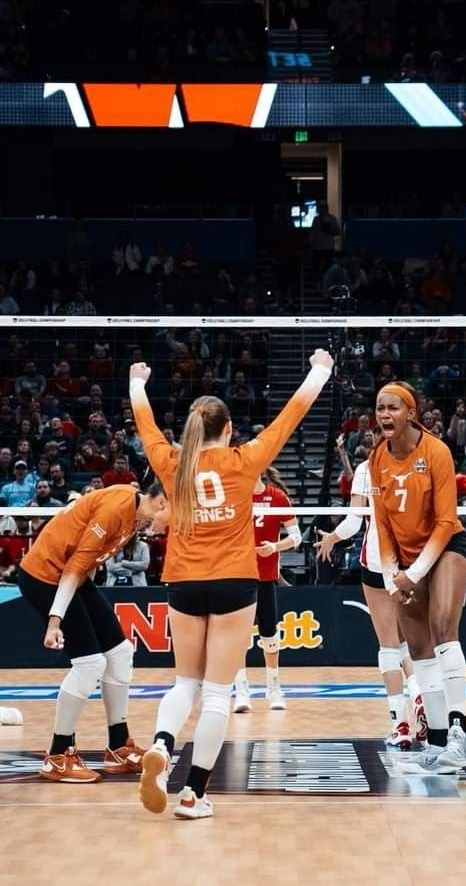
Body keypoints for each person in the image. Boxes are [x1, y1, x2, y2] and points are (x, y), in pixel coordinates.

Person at [131, 348, 333, 820]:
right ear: (228, 430)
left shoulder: (172, 463)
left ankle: (161, 745)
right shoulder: (245, 460)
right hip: (235, 582)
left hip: (183, 580)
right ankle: (193, 794)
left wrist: (138, 383)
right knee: (219, 693)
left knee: (186, 683)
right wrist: (319, 371)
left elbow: (145, 427)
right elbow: (291, 417)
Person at [17, 482, 169, 783]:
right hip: (46, 576)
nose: (175, 526)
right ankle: (58, 756)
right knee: (90, 664)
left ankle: (117, 747)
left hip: (73, 576)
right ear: (162, 503)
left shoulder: (134, 510)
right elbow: (73, 566)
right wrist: (55, 619)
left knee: (121, 652)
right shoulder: (115, 510)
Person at [369, 382, 466, 772]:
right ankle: (440, 740)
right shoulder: (377, 457)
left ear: (411, 413)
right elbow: (381, 525)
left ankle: (462, 733)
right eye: (380, 408)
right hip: (405, 561)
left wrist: (414, 574)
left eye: (392, 407)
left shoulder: (436, 452)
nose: (384, 415)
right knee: (418, 650)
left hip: (446, 548)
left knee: (444, 628)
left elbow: (446, 522)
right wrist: (394, 575)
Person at [315, 434, 426, 748]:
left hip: (378, 562)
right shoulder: (419, 464)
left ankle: (399, 724)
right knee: (409, 642)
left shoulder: (365, 468)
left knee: (389, 645)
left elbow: (353, 521)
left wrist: (331, 539)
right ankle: (419, 696)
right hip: (412, 563)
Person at [233, 467, 302, 713]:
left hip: (265, 576)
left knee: (269, 634)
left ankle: (274, 689)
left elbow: (296, 537)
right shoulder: (236, 497)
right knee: (237, 637)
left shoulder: (278, 497)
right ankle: (241, 692)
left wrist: (274, 547)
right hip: (239, 575)